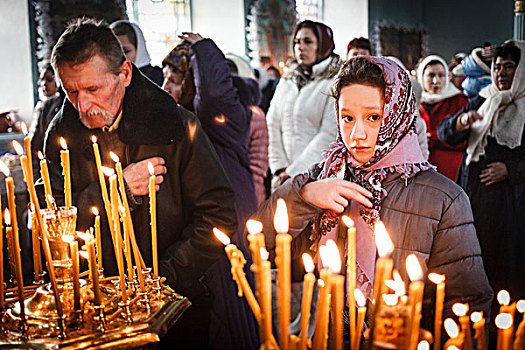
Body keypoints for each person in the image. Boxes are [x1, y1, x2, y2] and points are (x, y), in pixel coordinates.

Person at [249, 56, 492, 346]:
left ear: (396, 114)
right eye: (347, 117)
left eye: (373, 117)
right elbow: (260, 244)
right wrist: (304, 196)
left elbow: (469, 303)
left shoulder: (442, 198)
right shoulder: (326, 175)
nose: (358, 134)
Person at [42, 18, 238, 348]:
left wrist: (160, 281)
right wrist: (116, 190)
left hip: (176, 307)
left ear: (126, 74)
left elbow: (218, 215)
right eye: (71, 92)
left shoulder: (175, 125)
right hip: (95, 311)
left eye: (93, 89)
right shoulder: (61, 135)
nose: (83, 106)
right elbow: (52, 219)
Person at [163, 33, 260, 348]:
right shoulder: (179, 126)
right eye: (164, 79)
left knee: (233, 310)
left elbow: (215, 96)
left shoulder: (219, 120)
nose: (166, 87)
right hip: (204, 233)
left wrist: (203, 50)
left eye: (175, 80)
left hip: (228, 228)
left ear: (193, 83)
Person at [438, 41, 525, 306]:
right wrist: (461, 122)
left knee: (507, 269)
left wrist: (510, 169)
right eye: (497, 67)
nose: (500, 73)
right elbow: (445, 132)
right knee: (473, 262)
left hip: (511, 205)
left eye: (509, 67)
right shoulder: (483, 98)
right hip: (474, 199)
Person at [267, 20, 341, 190]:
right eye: (297, 42)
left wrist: (296, 171)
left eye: (308, 42)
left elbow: (329, 134)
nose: (300, 47)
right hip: (282, 177)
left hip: (317, 176)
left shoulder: (334, 82)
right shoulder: (287, 81)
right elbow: (272, 123)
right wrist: (280, 168)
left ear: (323, 46)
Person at [417, 55, 469, 180]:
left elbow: (464, 140)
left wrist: (432, 137)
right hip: (421, 169)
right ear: (421, 77)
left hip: (450, 169)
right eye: (431, 75)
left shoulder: (459, 101)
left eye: (441, 75)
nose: (436, 81)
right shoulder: (415, 102)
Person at [110, 20, 164, 86]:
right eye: (114, 52)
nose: (119, 57)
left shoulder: (155, 78)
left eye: (126, 51)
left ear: (139, 50)